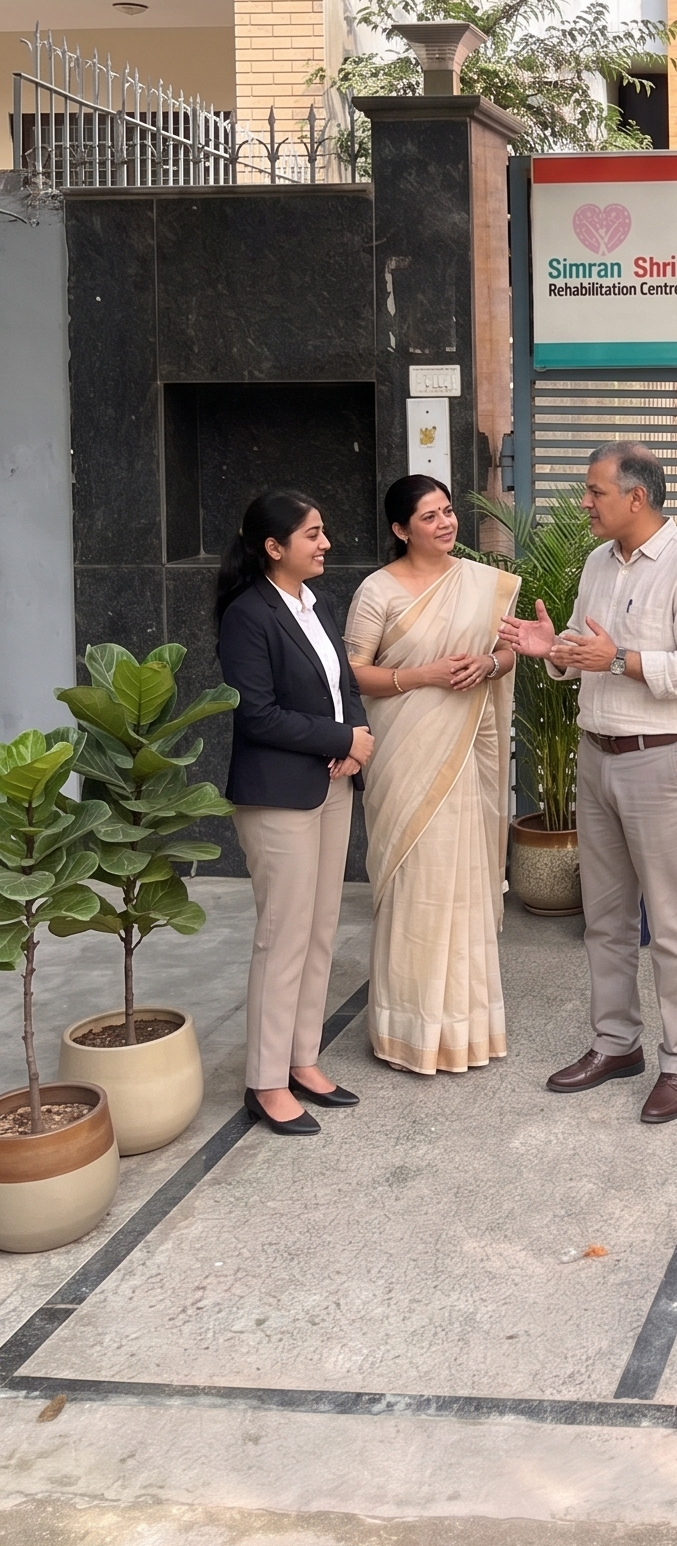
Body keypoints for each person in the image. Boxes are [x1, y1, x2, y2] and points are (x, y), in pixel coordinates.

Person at [500, 443, 677, 1124]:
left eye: (595, 491)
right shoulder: (598, 562)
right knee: (604, 917)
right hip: (596, 755)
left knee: (673, 922)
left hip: (662, 761)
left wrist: (619, 658)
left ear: (637, 497)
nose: (585, 503)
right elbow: (582, 648)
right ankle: (615, 1044)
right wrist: (553, 650)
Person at [344, 476, 520, 1077]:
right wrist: (426, 675)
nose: (446, 523)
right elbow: (352, 674)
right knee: (416, 882)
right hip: (404, 754)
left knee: (462, 880)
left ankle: (467, 1030)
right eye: (429, 516)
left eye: (448, 511)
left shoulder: (481, 583)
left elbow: (510, 653)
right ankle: (408, 1032)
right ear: (401, 530)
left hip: (464, 752)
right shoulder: (378, 590)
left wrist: (488, 663)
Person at [217, 489, 375, 1137]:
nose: (325, 543)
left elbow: (345, 685)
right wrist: (341, 739)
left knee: (319, 929)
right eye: (312, 534)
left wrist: (356, 741)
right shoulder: (247, 615)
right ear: (273, 547)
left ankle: (302, 1059)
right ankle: (265, 1081)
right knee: (282, 937)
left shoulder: (317, 603)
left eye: (323, 530)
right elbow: (255, 714)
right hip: (277, 794)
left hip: (331, 783)